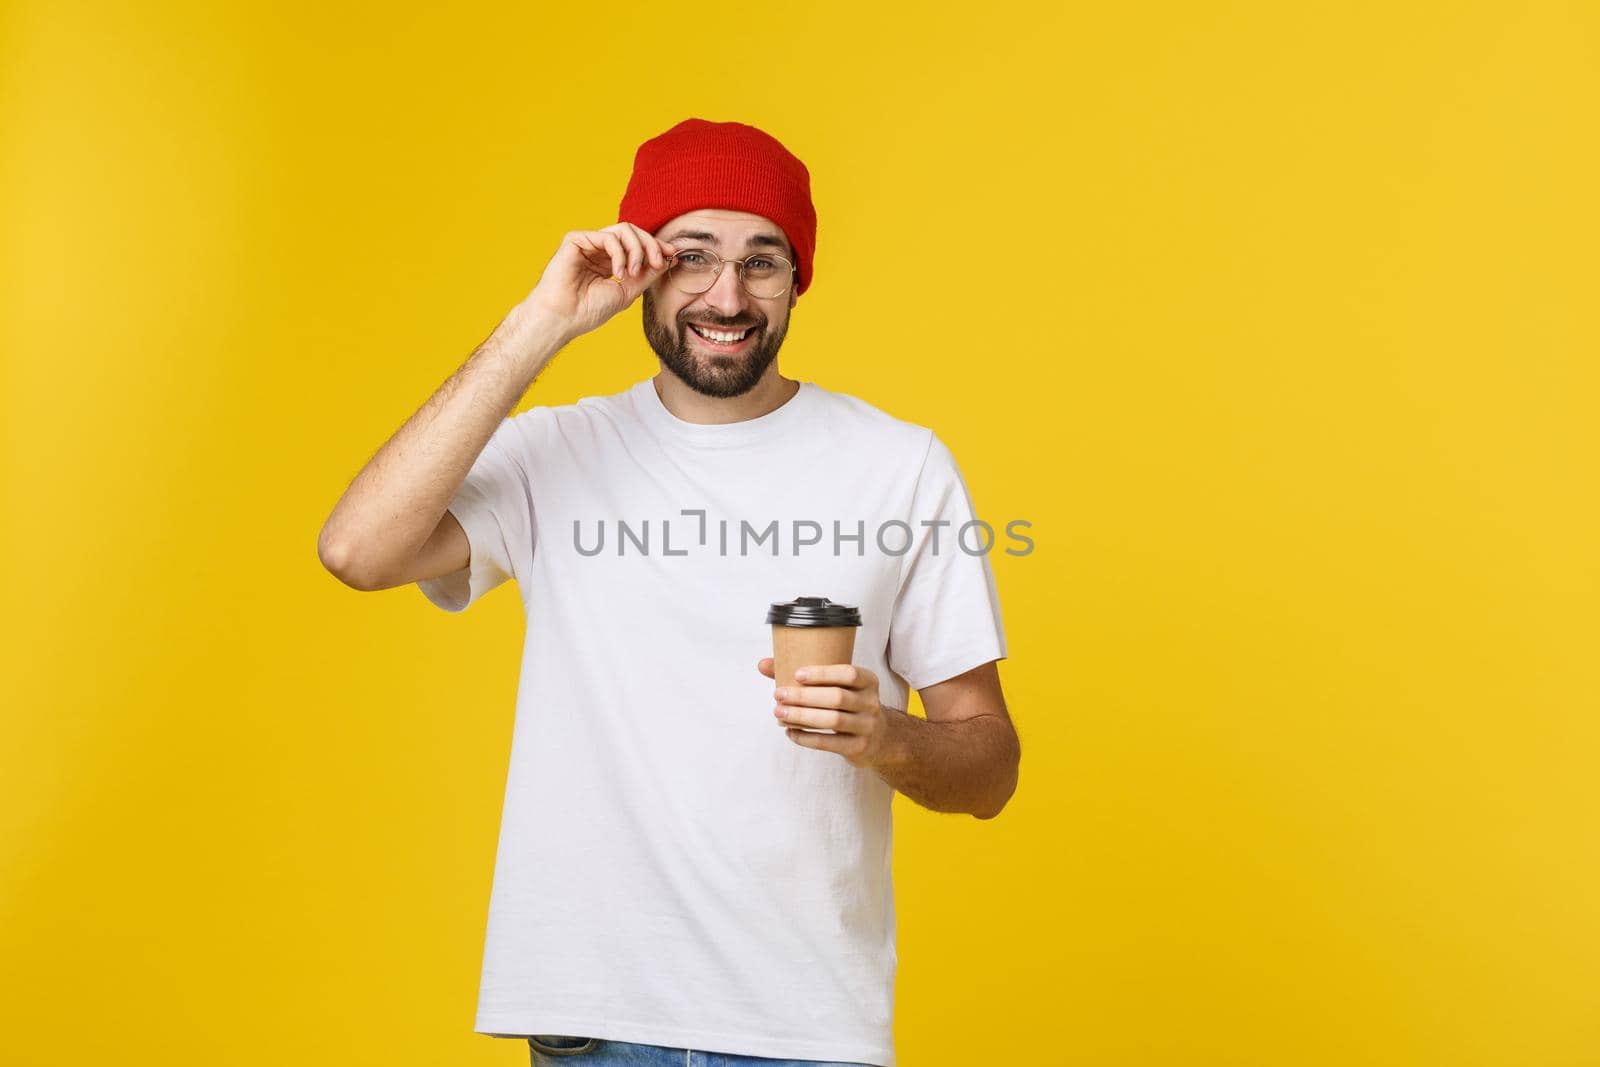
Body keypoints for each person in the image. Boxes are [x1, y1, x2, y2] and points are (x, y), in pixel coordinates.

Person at [318, 118, 1020, 1067]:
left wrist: (886, 735)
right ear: (641, 269)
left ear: (796, 280)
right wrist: (543, 321)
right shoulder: (558, 453)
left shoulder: (899, 466)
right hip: (595, 1025)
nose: (726, 295)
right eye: (692, 256)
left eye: (761, 261)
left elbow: (992, 765)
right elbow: (358, 548)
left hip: (802, 1030)